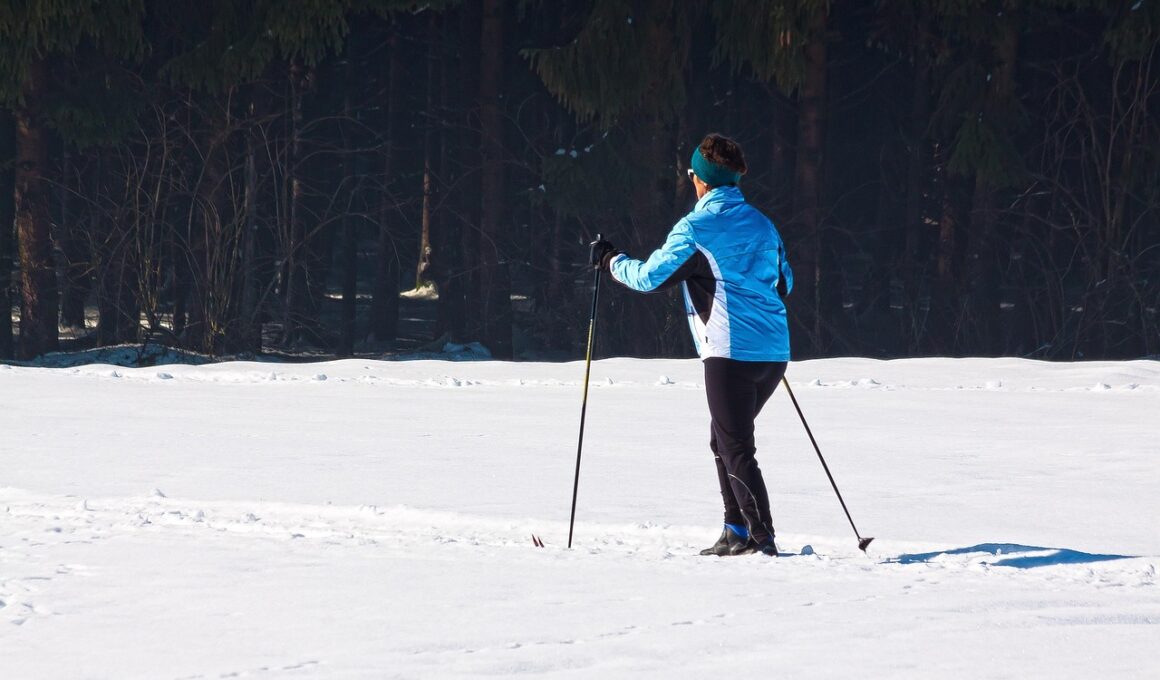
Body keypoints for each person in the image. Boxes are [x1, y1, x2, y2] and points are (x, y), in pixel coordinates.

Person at [590, 133, 793, 557]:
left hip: (729, 354)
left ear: (701, 180)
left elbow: (649, 277)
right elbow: (784, 282)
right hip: (774, 354)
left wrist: (611, 261)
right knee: (724, 440)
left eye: (692, 174)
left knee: (735, 446)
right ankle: (735, 530)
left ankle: (761, 540)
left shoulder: (695, 228)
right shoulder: (763, 224)